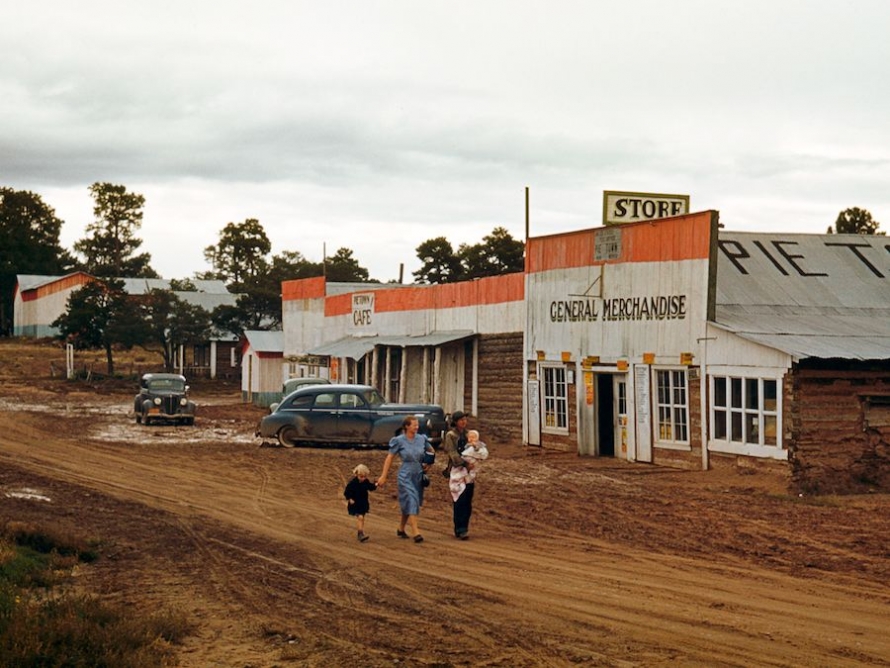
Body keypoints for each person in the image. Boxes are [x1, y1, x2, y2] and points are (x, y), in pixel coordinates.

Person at [377, 416, 435, 543]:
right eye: (414, 425)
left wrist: (428, 464)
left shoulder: (421, 439)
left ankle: (401, 528)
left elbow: (431, 451)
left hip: (418, 474)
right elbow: (389, 458)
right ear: (407, 426)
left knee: (411, 502)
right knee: (411, 498)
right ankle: (416, 532)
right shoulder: (398, 441)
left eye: (417, 424)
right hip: (405, 474)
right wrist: (383, 476)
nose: (417, 427)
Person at [443, 410, 476, 539]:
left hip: (469, 471)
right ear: (455, 422)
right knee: (459, 498)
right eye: (461, 420)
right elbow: (452, 453)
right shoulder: (451, 436)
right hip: (457, 470)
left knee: (468, 498)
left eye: (465, 420)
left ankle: (465, 526)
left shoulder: (469, 434)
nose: (464, 422)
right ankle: (459, 528)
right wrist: (464, 463)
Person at [448, 429, 488, 503]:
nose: (471, 439)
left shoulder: (479, 445)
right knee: (460, 475)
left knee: (470, 475)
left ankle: (464, 483)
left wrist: (475, 449)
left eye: (473, 437)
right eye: (470, 437)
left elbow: (481, 453)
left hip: (472, 463)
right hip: (465, 465)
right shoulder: (467, 445)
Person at [344, 464, 377, 542]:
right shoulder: (352, 483)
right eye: (361, 476)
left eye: (364, 476)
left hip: (363, 503)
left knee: (361, 518)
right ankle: (360, 534)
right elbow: (347, 492)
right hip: (355, 504)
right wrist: (350, 498)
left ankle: (360, 533)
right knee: (360, 517)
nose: (363, 478)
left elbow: (370, 487)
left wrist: (376, 484)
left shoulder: (366, 482)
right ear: (356, 474)